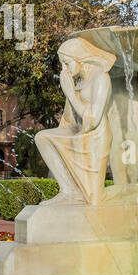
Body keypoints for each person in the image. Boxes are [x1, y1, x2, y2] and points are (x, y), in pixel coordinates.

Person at [34, 38, 115, 205]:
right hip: (78, 133)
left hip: (95, 138)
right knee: (42, 137)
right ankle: (68, 191)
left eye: (67, 63)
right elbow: (68, 121)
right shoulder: (78, 82)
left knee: (94, 200)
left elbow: (92, 119)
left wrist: (71, 94)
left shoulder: (101, 78)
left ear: (80, 59)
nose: (64, 69)